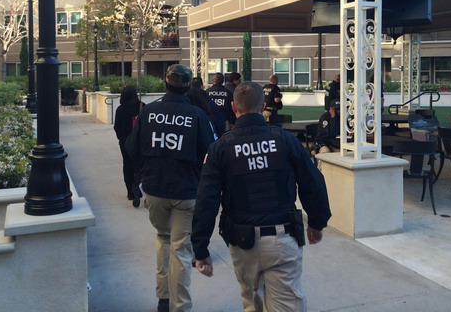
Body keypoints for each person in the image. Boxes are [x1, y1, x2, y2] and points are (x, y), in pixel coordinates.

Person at [192, 81, 331, 312]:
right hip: (282, 238)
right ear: (262, 106)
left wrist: (200, 247)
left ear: (233, 107)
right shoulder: (285, 140)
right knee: (287, 304)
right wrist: (317, 222)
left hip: (243, 242)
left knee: (252, 302)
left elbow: (207, 200)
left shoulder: (220, 148)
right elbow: (312, 182)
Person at [126, 64, 216, 312]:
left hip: (155, 189)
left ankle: (164, 298)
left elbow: (131, 148)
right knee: (181, 248)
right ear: (188, 88)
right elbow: (211, 154)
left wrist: (147, 170)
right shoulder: (197, 116)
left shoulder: (149, 112)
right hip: (186, 191)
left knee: (163, 238)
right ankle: (181, 306)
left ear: (166, 84)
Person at [113, 85, 145, 207]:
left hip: (125, 143)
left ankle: (130, 192)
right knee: (140, 166)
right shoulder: (142, 106)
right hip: (140, 143)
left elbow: (117, 127)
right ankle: (136, 186)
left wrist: (121, 138)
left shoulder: (120, 109)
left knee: (127, 166)